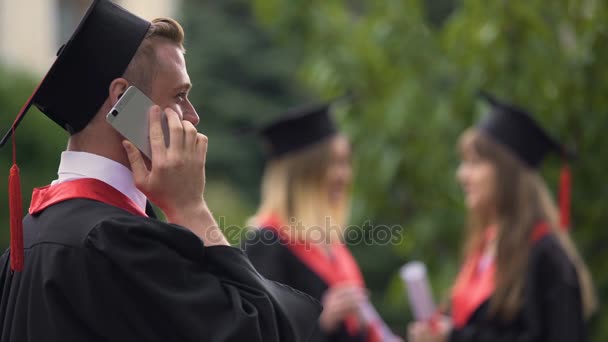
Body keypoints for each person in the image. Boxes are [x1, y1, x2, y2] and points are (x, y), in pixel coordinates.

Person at [0, 1, 321, 341]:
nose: (192, 116)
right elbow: (265, 330)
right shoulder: (117, 241)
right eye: (179, 95)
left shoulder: (27, 239)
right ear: (123, 99)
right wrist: (190, 208)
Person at [408, 93, 597, 342]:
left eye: (474, 163)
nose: (461, 175)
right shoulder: (483, 251)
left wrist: (453, 337)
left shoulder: (548, 258)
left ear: (506, 173)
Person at [243, 103, 400, 342]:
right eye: (333, 164)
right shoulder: (266, 245)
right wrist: (322, 323)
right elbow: (260, 335)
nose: (344, 176)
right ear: (302, 175)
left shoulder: (331, 247)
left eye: (346, 162)